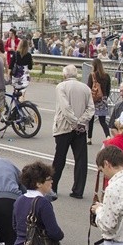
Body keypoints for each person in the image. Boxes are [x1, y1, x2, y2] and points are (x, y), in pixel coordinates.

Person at [50, 65, 94, 200]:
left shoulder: (61, 87)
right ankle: (78, 190)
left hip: (64, 127)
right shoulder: (85, 88)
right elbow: (91, 108)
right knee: (81, 160)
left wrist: (74, 122)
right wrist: (81, 121)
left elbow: (65, 107)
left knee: (59, 159)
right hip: (80, 129)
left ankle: (53, 188)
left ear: (64, 75)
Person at [86, 58, 111, 145]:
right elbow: (108, 89)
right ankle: (108, 136)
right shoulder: (106, 76)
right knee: (102, 121)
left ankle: (89, 139)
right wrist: (104, 97)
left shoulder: (92, 75)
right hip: (102, 99)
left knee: (91, 120)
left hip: (93, 100)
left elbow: (89, 88)